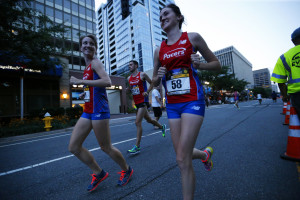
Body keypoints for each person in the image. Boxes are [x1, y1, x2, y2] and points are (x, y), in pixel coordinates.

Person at [152, 4, 221, 200]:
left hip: (192, 101)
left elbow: (216, 65)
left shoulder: (192, 38)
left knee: (182, 158)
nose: (162, 17)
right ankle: (204, 155)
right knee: (184, 156)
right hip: (172, 106)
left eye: (166, 14)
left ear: (179, 17)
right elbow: (155, 81)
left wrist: (200, 65)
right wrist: (158, 76)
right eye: (160, 16)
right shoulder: (159, 50)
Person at [69, 35, 133, 192]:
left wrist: (82, 82)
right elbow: (94, 86)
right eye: (85, 43)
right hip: (88, 110)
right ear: (80, 47)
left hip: (99, 110)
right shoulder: (87, 67)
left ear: (95, 47)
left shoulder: (96, 62)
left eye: (91, 44)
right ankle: (99, 173)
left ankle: (127, 169)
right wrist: (86, 93)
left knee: (105, 147)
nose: (88, 45)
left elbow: (107, 82)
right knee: (74, 147)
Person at [127, 60, 167, 154]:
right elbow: (132, 88)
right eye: (129, 65)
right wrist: (127, 90)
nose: (129, 66)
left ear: (136, 66)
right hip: (137, 102)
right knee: (149, 120)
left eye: (131, 65)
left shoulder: (142, 75)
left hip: (143, 102)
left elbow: (152, 83)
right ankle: (162, 127)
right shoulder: (128, 78)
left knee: (137, 122)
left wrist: (147, 92)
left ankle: (137, 146)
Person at [271, 27, 300, 119]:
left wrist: (285, 95)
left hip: (297, 94)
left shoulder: (284, 57)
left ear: (292, 41)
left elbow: (281, 82)